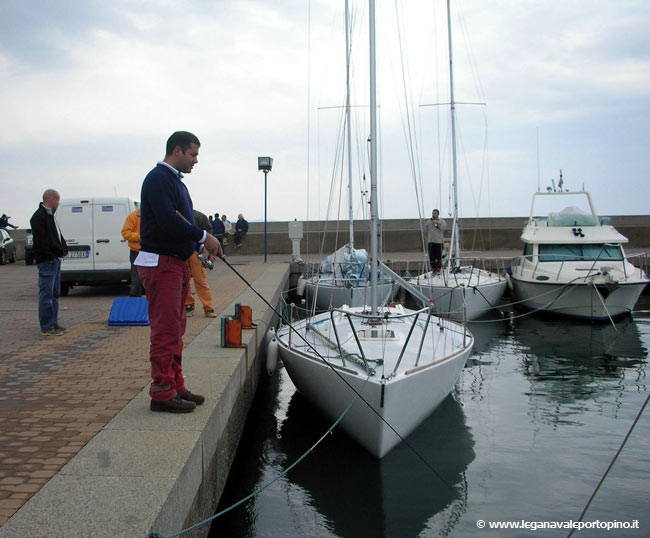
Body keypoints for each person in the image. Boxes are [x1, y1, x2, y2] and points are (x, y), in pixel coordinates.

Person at [135, 131, 223, 414]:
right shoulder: (158, 179)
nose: (196, 161)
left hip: (175, 263)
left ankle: (176, 384)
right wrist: (203, 237)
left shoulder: (173, 182)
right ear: (177, 151)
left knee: (177, 328)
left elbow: (177, 221)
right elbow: (168, 220)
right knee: (166, 329)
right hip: (161, 264)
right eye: (193, 154)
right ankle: (162, 391)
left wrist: (194, 247)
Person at [30, 190, 68, 336]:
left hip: (55, 259)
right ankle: (47, 327)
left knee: (54, 294)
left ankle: (54, 324)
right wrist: (51, 256)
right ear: (51, 200)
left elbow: (56, 236)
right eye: (57, 201)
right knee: (47, 294)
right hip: (48, 261)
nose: (58, 204)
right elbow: (41, 242)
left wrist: (62, 249)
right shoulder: (39, 217)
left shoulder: (50, 215)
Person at [185, 209, 217, 318]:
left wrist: (205, 249)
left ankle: (208, 307)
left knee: (200, 280)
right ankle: (188, 305)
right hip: (181, 253)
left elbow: (208, 232)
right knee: (184, 282)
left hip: (196, 252)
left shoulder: (199, 216)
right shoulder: (175, 214)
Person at [121, 208, 145, 297]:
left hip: (152, 251)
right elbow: (125, 233)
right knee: (137, 278)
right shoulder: (133, 217)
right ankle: (135, 299)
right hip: (136, 252)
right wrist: (140, 236)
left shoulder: (156, 214)